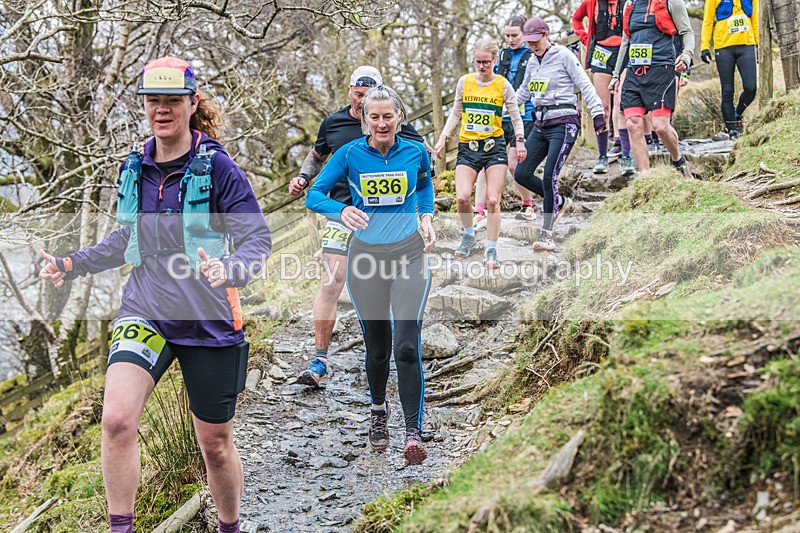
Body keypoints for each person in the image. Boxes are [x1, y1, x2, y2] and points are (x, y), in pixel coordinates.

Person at [39, 57, 271, 533]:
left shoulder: (219, 169)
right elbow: (124, 241)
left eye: (171, 101)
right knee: (117, 421)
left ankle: (229, 526)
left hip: (207, 319)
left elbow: (257, 241)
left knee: (216, 444)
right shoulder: (135, 168)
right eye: (153, 101)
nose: (161, 110)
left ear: (192, 103)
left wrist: (230, 269)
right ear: (144, 105)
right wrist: (71, 264)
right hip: (144, 309)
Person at [305, 85, 436, 465]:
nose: (381, 123)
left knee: (406, 346)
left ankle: (414, 431)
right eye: (374, 116)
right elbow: (316, 193)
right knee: (378, 348)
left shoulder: (414, 151)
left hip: (409, 255)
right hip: (366, 260)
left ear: (400, 117)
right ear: (364, 119)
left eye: (387, 116)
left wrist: (426, 216)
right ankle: (378, 411)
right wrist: (340, 212)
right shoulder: (349, 154)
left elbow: (425, 185)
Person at [287, 66, 430, 388]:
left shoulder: (391, 121)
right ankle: (320, 357)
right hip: (340, 213)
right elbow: (315, 155)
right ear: (351, 92)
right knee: (331, 280)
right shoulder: (333, 123)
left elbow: (421, 161)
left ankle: (391, 347)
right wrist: (303, 177)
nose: (364, 99)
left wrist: (424, 207)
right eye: (359, 93)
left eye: (370, 93)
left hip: (386, 223)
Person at [514, 18, 606, 251]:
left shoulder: (564, 55)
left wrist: (598, 114)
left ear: (546, 35)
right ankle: (559, 202)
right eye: (529, 42)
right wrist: (505, 108)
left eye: (536, 41)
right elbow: (524, 91)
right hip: (541, 123)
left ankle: (547, 235)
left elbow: (584, 84)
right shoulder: (532, 62)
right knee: (521, 173)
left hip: (564, 123)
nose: (533, 46)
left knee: (549, 177)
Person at [433, 38, 526, 267]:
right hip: (468, 147)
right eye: (478, 62)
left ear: (495, 59)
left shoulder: (503, 85)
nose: (482, 66)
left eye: (486, 62)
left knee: (493, 200)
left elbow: (515, 117)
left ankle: (492, 250)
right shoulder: (465, 82)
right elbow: (456, 112)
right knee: (462, 197)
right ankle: (468, 236)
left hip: (494, 146)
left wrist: (521, 141)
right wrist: (443, 137)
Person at [609, 0, 695, 177]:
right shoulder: (630, 5)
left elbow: (687, 32)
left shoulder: (672, 3)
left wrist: (686, 56)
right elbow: (625, 42)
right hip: (634, 72)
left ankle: (678, 160)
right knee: (633, 124)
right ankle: (646, 177)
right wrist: (616, 76)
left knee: (661, 127)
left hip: (661, 70)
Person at [473, 15, 537, 226]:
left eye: (514, 35)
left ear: (524, 34)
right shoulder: (500, 56)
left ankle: (528, 204)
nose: (510, 40)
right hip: (496, 118)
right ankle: (478, 210)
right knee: (484, 162)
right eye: (507, 36)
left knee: (513, 165)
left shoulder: (532, 55)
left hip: (523, 115)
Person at [572, 0, 626, 174]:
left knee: (621, 101)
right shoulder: (591, 3)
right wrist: (586, 39)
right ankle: (602, 154)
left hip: (624, 52)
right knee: (602, 106)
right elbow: (576, 18)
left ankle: (622, 146)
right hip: (601, 53)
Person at [701, 0, 758, 138]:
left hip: (746, 45)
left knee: (751, 88)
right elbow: (707, 21)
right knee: (727, 91)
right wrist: (704, 46)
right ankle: (731, 129)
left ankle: (736, 114)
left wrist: (758, 42)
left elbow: (755, 18)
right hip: (723, 47)